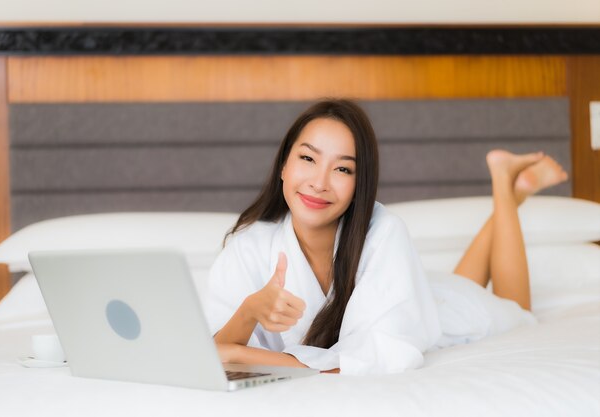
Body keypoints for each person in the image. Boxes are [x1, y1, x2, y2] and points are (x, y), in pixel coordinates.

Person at [205, 99, 568, 375]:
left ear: (359, 183)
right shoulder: (248, 246)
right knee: (452, 285)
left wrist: (255, 358)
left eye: (343, 168)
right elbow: (210, 356)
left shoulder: (384, 231)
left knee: (518, 311)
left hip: (441, 314)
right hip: (417, 292)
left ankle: (506, 189)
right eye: (308, 159)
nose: (319, 182)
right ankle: (512, 191)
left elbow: (381, 353)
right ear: (284, 165)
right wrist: (250, 310)